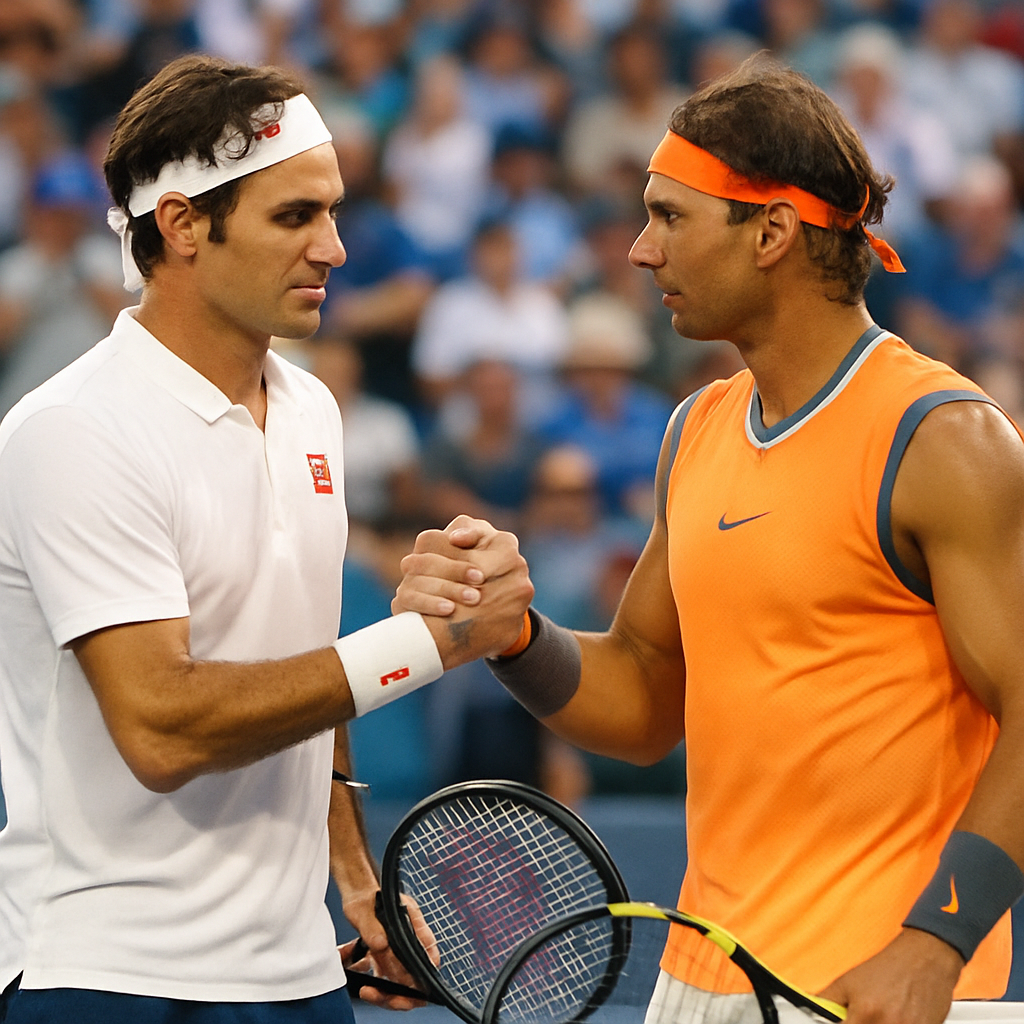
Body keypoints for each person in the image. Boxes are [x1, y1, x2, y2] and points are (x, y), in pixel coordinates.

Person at [397, 55, 1024, 1024]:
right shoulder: (696, 428)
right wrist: (513, 636)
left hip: (881, 987)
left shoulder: (944, 438)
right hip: (698, 979)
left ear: (771, 230)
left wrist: (935, 943)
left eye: (669, 216)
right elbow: (646, 695)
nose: (640, 250)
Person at [0, 53, 532, 1024]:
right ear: (182, 225)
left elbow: (304, 672)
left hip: (296, 972)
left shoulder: (313, 411)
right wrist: (428, 643)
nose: (334, 248)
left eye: (332, 212)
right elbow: (162, 726)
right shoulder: (73, 429)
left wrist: (354, 876)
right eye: (295, 217)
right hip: (103, 973)